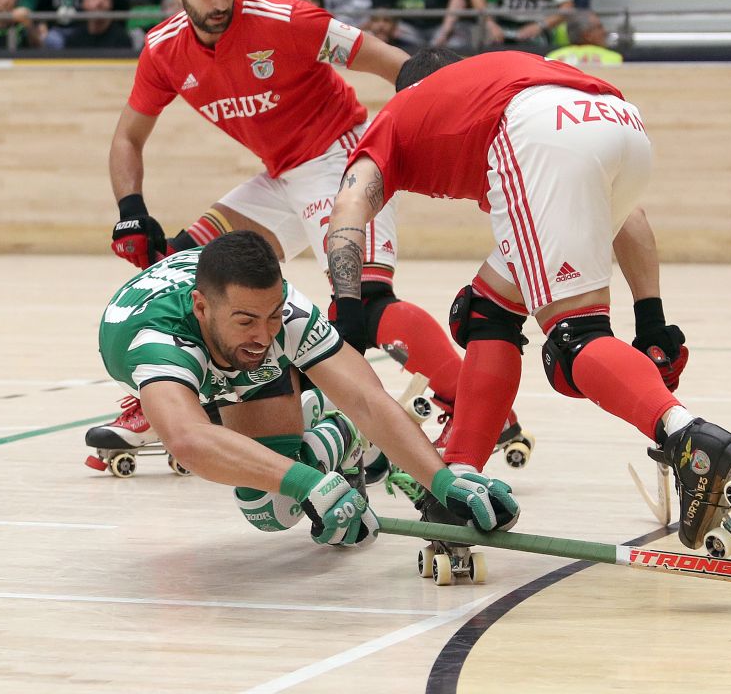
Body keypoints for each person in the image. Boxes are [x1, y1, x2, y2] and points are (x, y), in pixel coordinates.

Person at [105, 0, 513, 474]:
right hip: (280, 179)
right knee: (180, 265)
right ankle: (170, 397)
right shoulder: (162, 51)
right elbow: (127, 138)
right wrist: (131, 211)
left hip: (340, 161)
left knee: (366, 303)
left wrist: (444, 134)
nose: (222, 0)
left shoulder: (286, 20)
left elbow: (402, 66)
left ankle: (477, 409)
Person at [325, 49, 731, 559]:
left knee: (574, 339)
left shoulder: (400, 114)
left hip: (537, 138)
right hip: (621, 124)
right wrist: (651, 317)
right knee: (487, 310)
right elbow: (624, 214)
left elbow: (347, 210)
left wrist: (347, 312)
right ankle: (459, 477)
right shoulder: (505, 76)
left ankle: (688, 437)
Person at [97, 230, 519, 546]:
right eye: (247, 320)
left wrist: (443, 482)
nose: (263, 336)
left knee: (270, 510)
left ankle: (345, 432)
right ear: (201, 307)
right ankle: (331, 424)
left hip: (235, 361)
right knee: (277, 502)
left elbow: (367, 399)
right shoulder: (156, 342)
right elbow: (188, 440)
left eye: (273, 316)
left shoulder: (282, 317)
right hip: (187, 354)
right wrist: (309, 484)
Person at [62, 0, 132, 47]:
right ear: (84, 3)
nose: (100, 2)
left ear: (111, 3)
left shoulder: (122, 38)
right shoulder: (74, 39)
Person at [545, 8, 622, 64]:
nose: (604, 31)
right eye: (599, 27)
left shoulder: (552, 58)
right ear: (587, 35)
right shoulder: (613, 59)